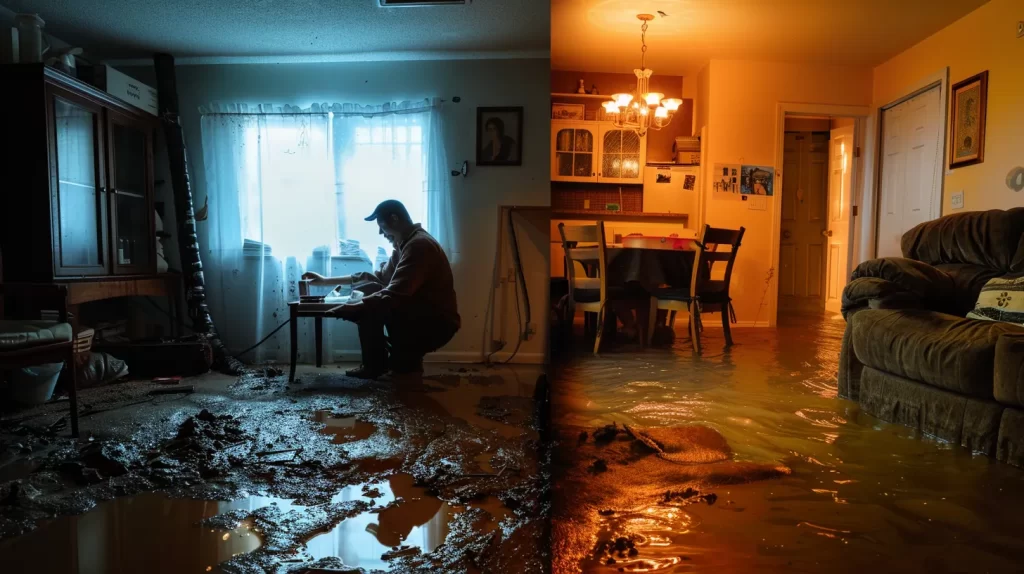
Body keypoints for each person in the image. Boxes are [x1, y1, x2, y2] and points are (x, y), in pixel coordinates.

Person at [302, 200, 459, 379]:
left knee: (371, 305)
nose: (379, 232)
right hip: (419, 314)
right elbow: (378, 278)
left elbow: (395, 294)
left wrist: (356, 307)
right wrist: (325, 281)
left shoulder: (419, 245)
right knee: (370, 291)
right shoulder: (405, 244)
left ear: (394, 219)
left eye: (381, 225)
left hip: (435, 322)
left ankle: (394, 367)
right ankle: (388, 365)